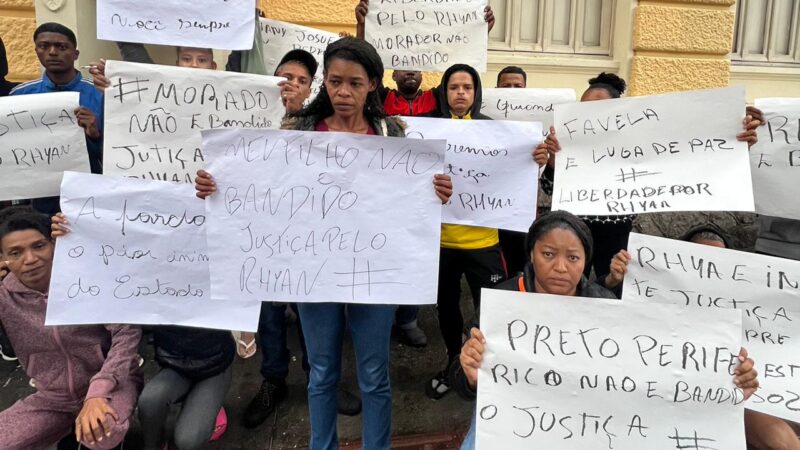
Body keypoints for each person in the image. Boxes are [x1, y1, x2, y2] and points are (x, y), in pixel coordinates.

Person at [196, 37, 453, 449]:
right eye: (335, 82)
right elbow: (260, 184)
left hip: (375, 272)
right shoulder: (299, 132)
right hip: (312, 272)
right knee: (321, 372)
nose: (343, 93)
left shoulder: (393, 133)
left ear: (372, 84)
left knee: (374, 374)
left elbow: (413, 196)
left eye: (354, 83)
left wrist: (436, 191)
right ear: (324, 83)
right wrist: (217, 184)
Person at [452, 211, 761, 449]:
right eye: (548, 254)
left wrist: (725, 386)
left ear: (585, 260)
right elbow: (463, 384)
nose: (560, 267)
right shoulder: (502, 304)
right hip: (510, 416)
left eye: (573, 257)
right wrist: (469, 376)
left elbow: (647, 379)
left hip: (585, 424)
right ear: (531, 254)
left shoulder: (605, 307)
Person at [539, 72, 761, 282]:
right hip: (573, 235)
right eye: (584, 109)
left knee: (614, 288)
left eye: (599, 108)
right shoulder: (568, 142)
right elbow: (549, 190)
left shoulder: (641, 140)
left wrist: (733, 137)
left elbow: (689, 157)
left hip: (621, 236)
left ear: (616, 109)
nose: (590, 116)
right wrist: (552, 163)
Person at [603, 224, 800, 450]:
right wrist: (612, 280)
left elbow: (756, 368)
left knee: (784, 442)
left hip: (723, 398)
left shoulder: (748, 312)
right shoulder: (653, 300)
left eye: (717, 265)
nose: (708, 271)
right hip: (657, 395)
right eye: (699, 260)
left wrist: (744, 377)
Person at [422, 63, 548, 400]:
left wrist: (538, 160)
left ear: (476, 93)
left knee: (489, 310)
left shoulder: (495, 131)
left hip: (485, 242)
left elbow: (518, 172)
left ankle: (490, 367)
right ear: (443, 92)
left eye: (467, 87)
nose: (460, 93)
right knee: (446, 308)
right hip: (441, 242)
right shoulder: (426, 130)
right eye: (453, 87)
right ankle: (453, 362)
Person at [0, 206, 143, 449]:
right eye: (16, 252)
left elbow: (126, 333)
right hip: (53, 397)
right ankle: (70, 429)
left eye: (38, 246)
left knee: (101, 432)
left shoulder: (86, 279)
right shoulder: (4, 296)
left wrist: (98, 391)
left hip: (111, 385)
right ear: (3, 258)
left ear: (54, 244)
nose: (31, 259)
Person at [10, 23, 103, 215]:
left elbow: (119, 153)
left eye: (61, 47)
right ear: (36, 50)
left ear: (75, 54)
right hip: (38, 198)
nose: (52, 52)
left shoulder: (100, 94)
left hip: (90, 194)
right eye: (44, 46)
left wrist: (95, 135)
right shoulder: (19, 96)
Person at [494, 65, 529, 278]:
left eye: (518, 86)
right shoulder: (483, 120)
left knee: (519, 266)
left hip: (520, 207)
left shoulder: (539, 122)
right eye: (506, 86)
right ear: (496, 89)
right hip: (487, 205)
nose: (513, 90)